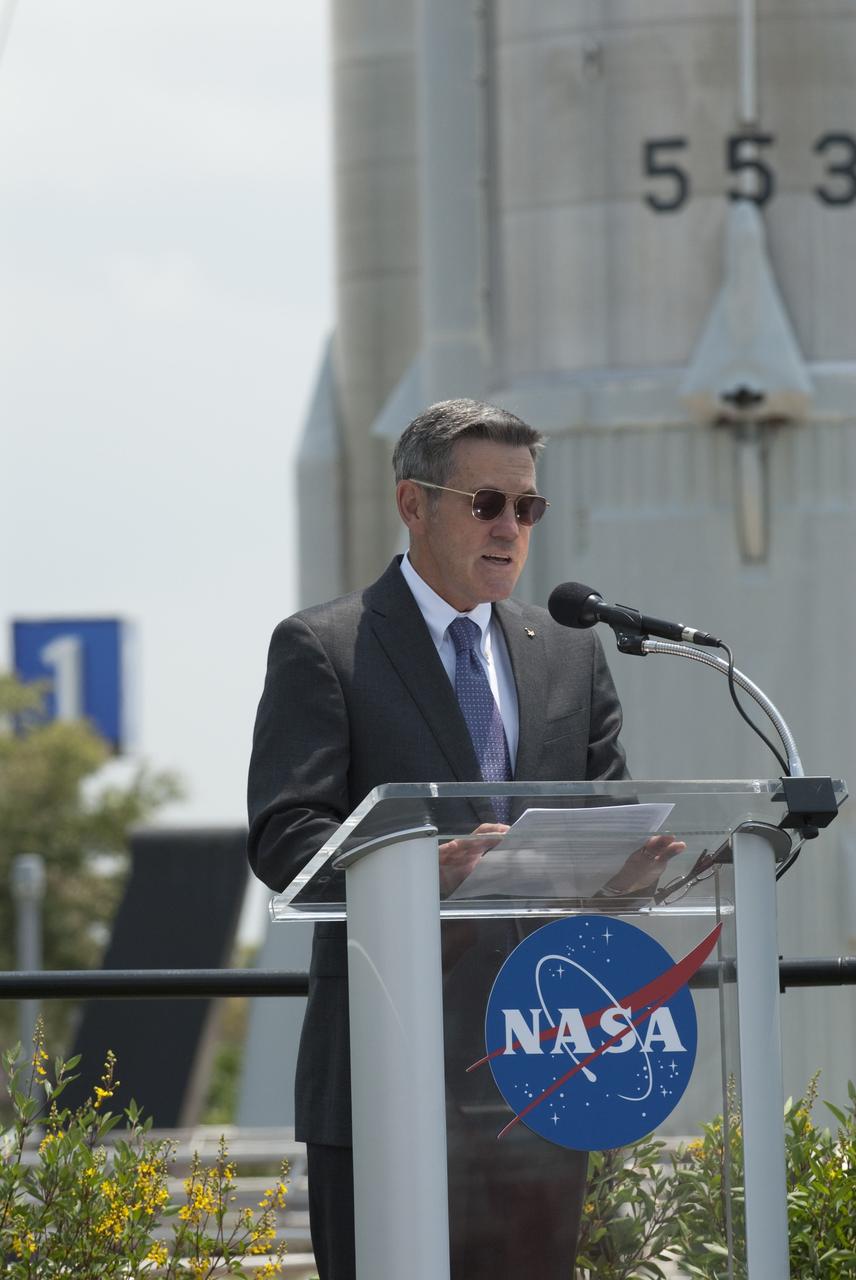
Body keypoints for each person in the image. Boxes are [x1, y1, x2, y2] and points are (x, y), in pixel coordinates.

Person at [247, 398, 680, 1279]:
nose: (511, 528)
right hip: (386, 1069)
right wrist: (410, 873)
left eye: (528, 508)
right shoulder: (326, 648)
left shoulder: (570, 654)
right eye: (488, 504)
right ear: (414, 504)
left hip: (542, 1069)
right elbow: (286, 837)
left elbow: (601, 816)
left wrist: (626, 872)